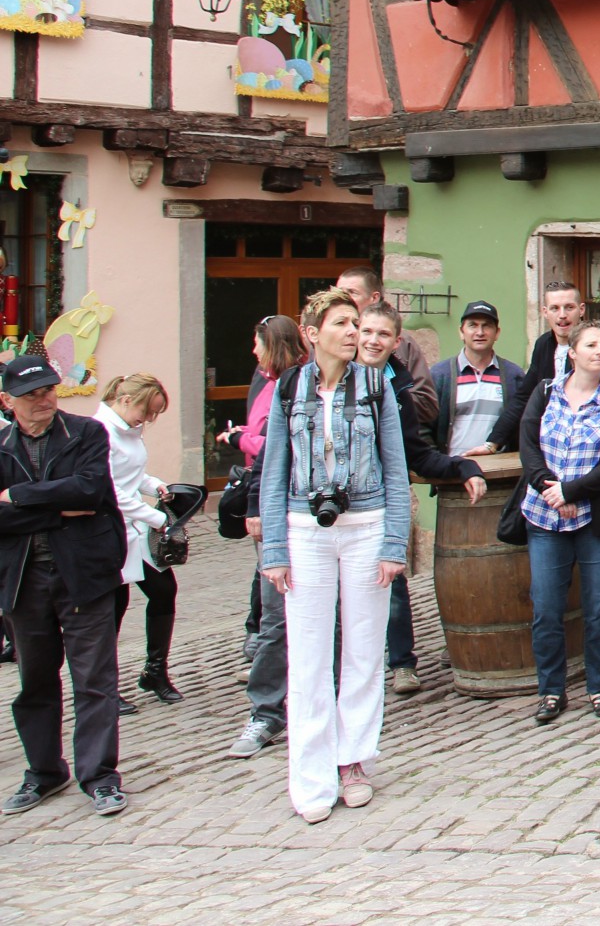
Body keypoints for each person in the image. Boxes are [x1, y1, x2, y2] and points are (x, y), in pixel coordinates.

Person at [256, 287, 412, 824]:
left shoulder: (376, 386)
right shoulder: (287, 389)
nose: (354, 333)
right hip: (305, 530)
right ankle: (310, 774)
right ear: (312, 333)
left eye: (357, 323)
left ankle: (353, 760)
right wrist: (274, 550)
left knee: (364, 652)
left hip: (366, 526)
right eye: (344, 323)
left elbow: (396, 468)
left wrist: (395, 542)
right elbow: (273, 472)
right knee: (308, 656)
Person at [0, 355, 127, 816]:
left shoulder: (87, 433)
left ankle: (99, 776)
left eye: (48, 391)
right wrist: (57, 508)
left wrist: (17, 497)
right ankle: (44, 771)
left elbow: (90, 491)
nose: (43, 401)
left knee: (95, 680)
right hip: (22, 579)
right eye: (31, 395)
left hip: (84, 574)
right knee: (35, 681)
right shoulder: (1, 445)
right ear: (6, 401)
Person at [357, 302, 489, 693]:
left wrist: (460, 467)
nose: (373, 340)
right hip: (330, 512)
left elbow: (415, 451)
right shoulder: (327, 379)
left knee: (391, 587)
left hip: (379, 506)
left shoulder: (398, 385)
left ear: (396, 342)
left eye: (383, 334)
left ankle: (400, 663)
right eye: (367, 332)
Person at [518, 319, 600, 723]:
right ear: (572, 354)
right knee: (547, 607)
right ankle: (551, 691)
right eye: (591, 345)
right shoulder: (546, 392)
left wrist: (574, 492)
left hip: (596, 521)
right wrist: (550, 489)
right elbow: (528, 443)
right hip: (544, 516)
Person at [221, 316, 305, 758]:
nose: (253, 352)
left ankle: (314, 706)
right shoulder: (265, 381)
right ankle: (267, 712)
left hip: (305, 513)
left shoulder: (297, 385)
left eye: (257, 344)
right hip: (272, 505)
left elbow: (269, 448)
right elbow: (265, 455)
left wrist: (242, 438)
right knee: (275, 617)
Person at [98, 374, 182, 708]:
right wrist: (157, 518)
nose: (148, 420)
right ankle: (104, 686)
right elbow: (110, 489)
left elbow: (130, 474)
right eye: (148, 411)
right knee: (112, 609)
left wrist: (154, 485)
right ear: (127, 400)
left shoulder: (129, 429)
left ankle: (155, 670)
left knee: (164, 591)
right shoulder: (101, 431)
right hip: (111, 529)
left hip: (134, 528)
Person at [487, 280, 591, 453]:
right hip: (547, 444)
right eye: (555, 308)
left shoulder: (595, 344)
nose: (562, 315)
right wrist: (492, 442)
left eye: (569, 307)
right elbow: (523, 397)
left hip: (583, 445)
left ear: (581, 310)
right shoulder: (543, 345)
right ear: (545, 312)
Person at [334, 267, 437, 426]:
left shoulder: (404, 343)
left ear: (374, 297)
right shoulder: (330, 340)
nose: (344, 299)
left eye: (351, 293)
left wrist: (386, 399)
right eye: (340, 293)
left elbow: (427, 405)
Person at [428, 300, 524, 460]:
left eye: (487, 326)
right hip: (452, 475)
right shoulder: (441, 375)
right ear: (461, 332)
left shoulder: (513, 376)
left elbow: (522, 427)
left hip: (501, 476)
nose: (480, 332)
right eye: (473, 325)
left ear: (497, 333)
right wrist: (438, 465)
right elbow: (424, 428)